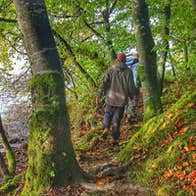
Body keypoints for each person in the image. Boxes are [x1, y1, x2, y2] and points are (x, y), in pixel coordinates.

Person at [96, 52, 136, 145]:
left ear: (117, 60)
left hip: (110, 98)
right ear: (125, 61)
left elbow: (104, 83)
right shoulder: (129, 71)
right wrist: (132, 96)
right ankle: (115, 139)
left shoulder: (111, 70)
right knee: (116, 120)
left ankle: (105, 128)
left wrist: (99, 95)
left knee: (107, 115)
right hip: (121, 100)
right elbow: (131, 86)